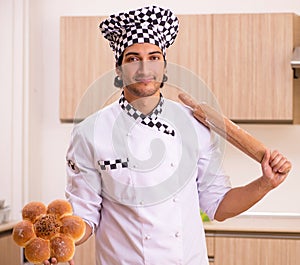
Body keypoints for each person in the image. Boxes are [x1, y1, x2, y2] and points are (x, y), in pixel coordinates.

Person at [44, 5, 291, 265]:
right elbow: (85, 215)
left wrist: (265, 183)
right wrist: (62, 243)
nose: (144, 67)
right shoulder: (89, 133)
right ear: (118, 70)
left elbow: (219, 206)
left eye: (153, 57)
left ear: (164, 66)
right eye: (132, 58)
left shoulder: (195, 124)